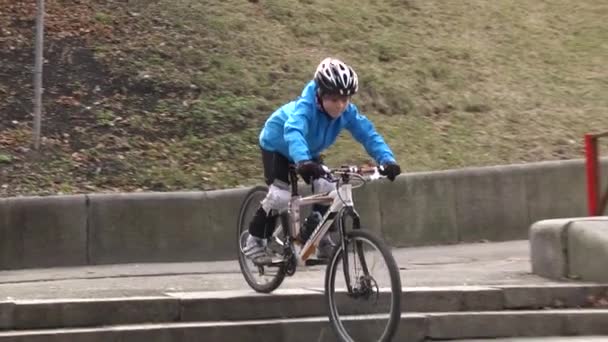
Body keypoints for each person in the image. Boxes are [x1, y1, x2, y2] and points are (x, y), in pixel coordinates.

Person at [243, 57, 402, 264]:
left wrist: (387, 160)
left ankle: (319, 234)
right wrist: (302, 161)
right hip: (278, 146)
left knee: (328, 186)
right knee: (280, 196)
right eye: (335, 99)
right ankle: (254, 240)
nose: (340, 105)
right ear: (321, 94)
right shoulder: (305, 108)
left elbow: (368, 134)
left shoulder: (347, 112)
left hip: (307, 151)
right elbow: (293, 131)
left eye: (345, 100)